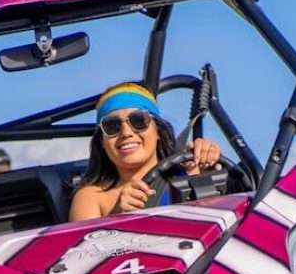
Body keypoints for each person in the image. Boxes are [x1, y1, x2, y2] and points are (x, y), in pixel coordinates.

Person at [69, 82, 221, 221]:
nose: (126, 133)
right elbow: (81, 249)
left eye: (138, 121)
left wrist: (209, 164)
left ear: (158, 131)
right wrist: (117, 216)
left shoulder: (191, 174)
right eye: (112, 126)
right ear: (102, 141)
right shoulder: (91, 197)